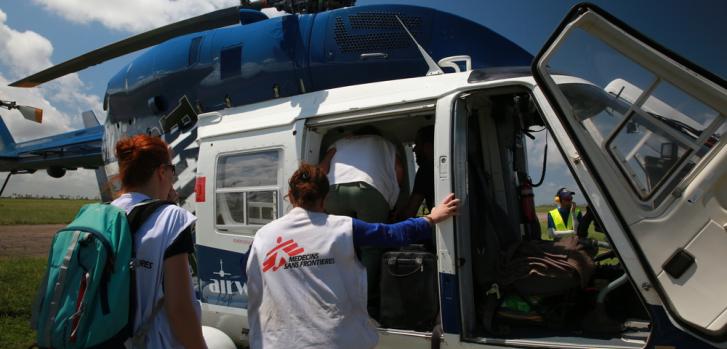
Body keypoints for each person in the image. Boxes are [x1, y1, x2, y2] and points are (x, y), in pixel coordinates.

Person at [245, 164, 459, 349]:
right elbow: (392, 234)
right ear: (325, 197)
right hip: (336, 341)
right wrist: (431, 218)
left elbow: (249, 273)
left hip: (278, 342)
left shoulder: (264, 237)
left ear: (290, 196)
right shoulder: (342, 228)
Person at [111, 134, 206, 349]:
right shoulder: (172, 218)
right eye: (172, 171)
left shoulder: (106, 213)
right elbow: (180, 308)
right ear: (162, 172)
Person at [319, 126, 404, 318]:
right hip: (370, 191)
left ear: (355, 134)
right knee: (371, 248)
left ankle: (337, 298)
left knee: (339, 245)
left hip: (334, 192)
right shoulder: (386, 144)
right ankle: (366, 303)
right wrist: (393, 201)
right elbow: (399, 172)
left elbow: (322, 169)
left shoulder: (340, 142)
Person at [396, 125, 435, 219]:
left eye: (417, 144)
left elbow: (410, 212)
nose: (414, 149)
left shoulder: (426, 170)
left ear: (428, 146)